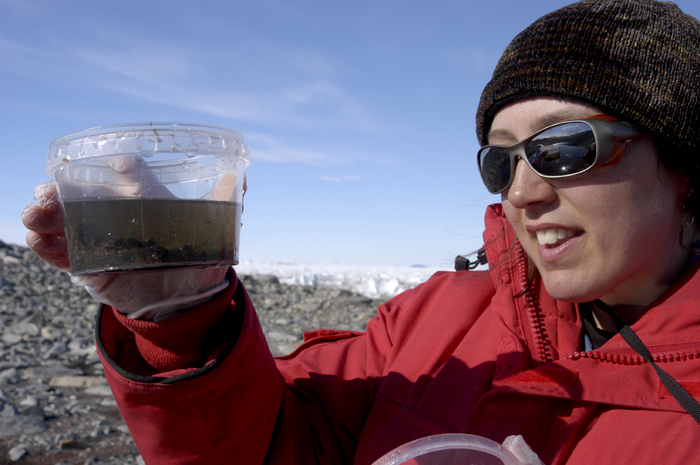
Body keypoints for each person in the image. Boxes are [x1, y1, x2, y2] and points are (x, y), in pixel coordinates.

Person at [21, 0, 700, 463]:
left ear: (683, 164)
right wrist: (183, 318)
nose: (522, 192)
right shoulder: (433, 320)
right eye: (501, 160)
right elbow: (280, 445)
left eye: (563, 149)